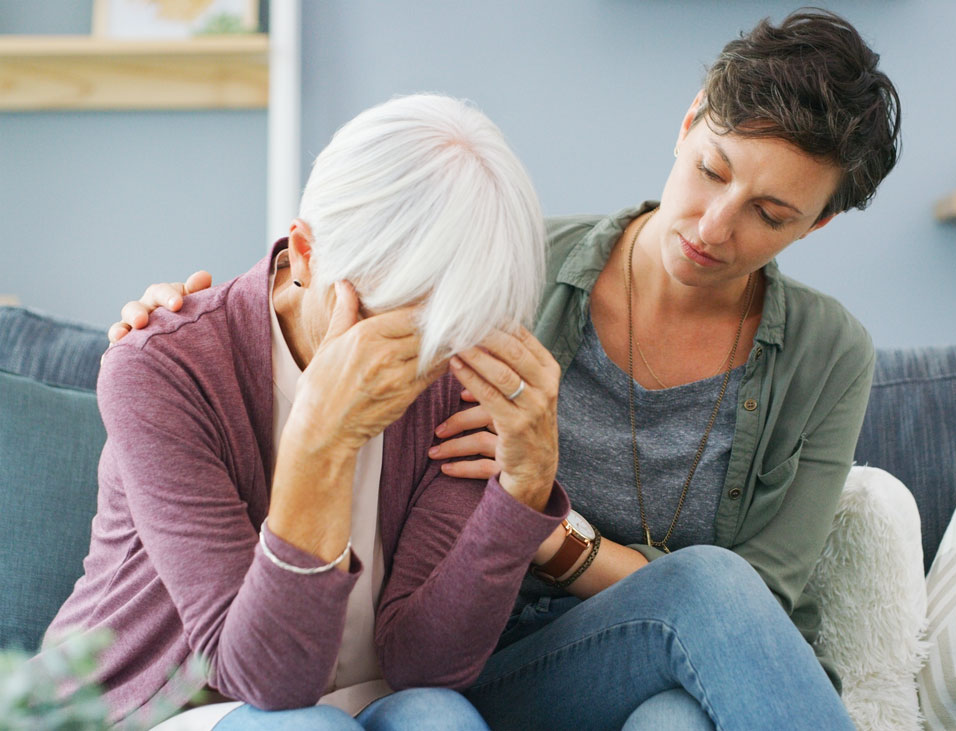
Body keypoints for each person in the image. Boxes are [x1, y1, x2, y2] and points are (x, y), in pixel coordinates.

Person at [111, 9, 901, 729]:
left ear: (818, 223)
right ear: (689, 122)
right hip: (445, 663)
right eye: (712, 170)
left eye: (771, 214)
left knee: (683, 691)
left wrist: (535, 506)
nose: (716, 225)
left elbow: (761, 605)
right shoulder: (496, 275)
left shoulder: (481, 303)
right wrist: (190, 334)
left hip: (538, 652)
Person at [45, 93, 570, 730]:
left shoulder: (453, 362)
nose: (419, 361)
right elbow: (263, 680)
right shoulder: (164, 366)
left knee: (441, 717)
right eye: (393, 318)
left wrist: (522, 490)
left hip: (359, 700)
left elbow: (425, 666)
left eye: (452, 326)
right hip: (162, 709)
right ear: (305, 252)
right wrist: (323, 437)